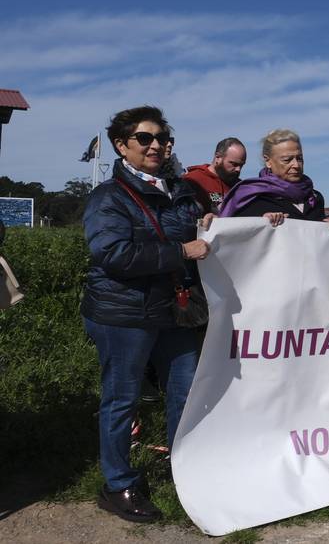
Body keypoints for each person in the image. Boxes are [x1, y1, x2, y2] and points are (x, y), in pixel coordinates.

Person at [83, 106, 211, 523]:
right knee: (122, 399)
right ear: (121, 145)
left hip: (171, 311)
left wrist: (205, 225)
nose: (155, 145)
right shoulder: (109, 197)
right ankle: (117, 483)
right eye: (144, 138)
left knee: (185, 393)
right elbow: (112, 253)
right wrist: (181, 251)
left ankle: (185, 467)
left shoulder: (180, 190)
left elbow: (186, 232)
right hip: (124, 313)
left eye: (162, 138)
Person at [219, 129, 329, 232]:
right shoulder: (250, 197)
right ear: (268, 161)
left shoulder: (315, 198)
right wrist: (259, 223)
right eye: (287, 160)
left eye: (300, 158)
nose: (296, 165)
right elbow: (234, 238)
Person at [182, 137, 247, 214]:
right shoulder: (193, 180)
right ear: (218, 157)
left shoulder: (241, 187)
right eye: (234, 164)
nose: (238, 169)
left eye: (241, 165)